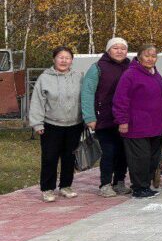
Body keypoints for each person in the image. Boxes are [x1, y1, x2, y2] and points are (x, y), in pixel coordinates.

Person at [29, 47, 84, 202]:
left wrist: (87, 119)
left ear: (72, 60)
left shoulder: (79, 76)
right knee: (49, 158)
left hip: (74, 124)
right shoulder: (44, 78)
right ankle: (47, 189)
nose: (64, 60)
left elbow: (85, 99)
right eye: (60, 57)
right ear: (54, 59)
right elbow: (37, 102)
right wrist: (37, 123)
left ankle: (66, 186)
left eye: (67, 58)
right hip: (51, 125)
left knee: (69, 158)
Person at [112, 45, 162, 199]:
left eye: (153, 56)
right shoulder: (130, 74)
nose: (150, 59)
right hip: (137, 126)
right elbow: (120, 99)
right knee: (139, 159)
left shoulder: (155, 74)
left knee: (152, 159)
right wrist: (122, 121)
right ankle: (139, 188)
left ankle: (145, 185)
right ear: (139, 56)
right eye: (147, 55)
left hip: (155, 126)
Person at [80, 37, 132, 197]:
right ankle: (105, 184)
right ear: (108, 50)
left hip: (125, 118)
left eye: (123, 48)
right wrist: (89, 117)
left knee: (124, 152)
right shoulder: (97, 68)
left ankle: (120, 182)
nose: (119, 51)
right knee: (109, 152)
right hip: (105, 118)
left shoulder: (130, 67)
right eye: (115, 48)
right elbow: (87, 92)